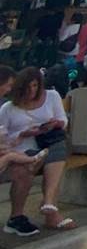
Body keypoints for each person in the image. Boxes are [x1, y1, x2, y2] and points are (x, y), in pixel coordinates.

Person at [0, 67, 75, 230]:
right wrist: (23, 133)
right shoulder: (7, 108)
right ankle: (31, 214)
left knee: (56, 149)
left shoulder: (52, 96)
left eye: (35, 86)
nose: (31, 90)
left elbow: (63, 120)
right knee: (26, 167)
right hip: (21, 148)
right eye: (27, 87)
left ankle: (49, 204)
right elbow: (4, 137)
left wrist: (55, 124)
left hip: (47, 142)